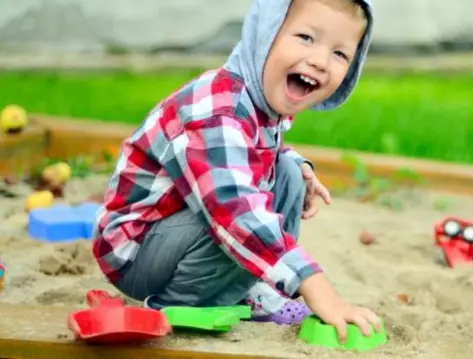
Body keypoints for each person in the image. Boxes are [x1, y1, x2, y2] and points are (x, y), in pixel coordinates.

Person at [92, 0, 380, 341]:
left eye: (340, 54)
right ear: (265, 34)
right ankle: (179, 303)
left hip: (177, 231)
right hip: (136, 252)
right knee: (240, 219)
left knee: (286, 171)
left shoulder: (256, 100)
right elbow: (232, 208)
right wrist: (315, 285)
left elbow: (247, 149)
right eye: (305, 37)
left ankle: (245, 288)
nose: (319, 60)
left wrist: (298, 165)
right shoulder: (216, 105)